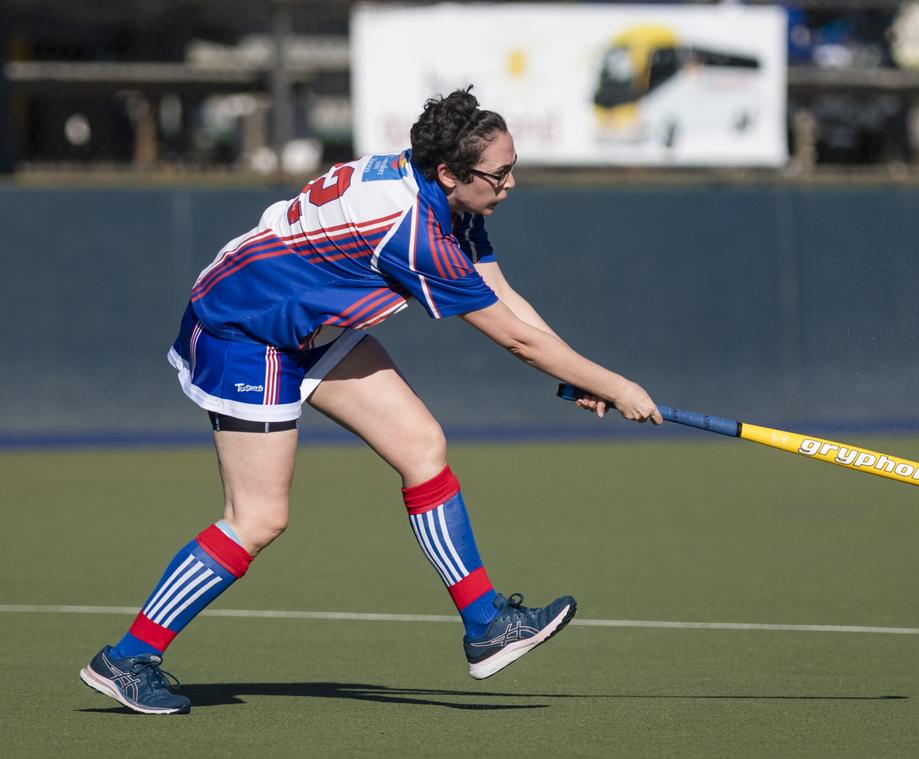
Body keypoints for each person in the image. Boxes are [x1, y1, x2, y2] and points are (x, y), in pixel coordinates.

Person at [79, 88, 662, 714]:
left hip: (310, 321)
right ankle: (128, 656)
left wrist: (581, 372)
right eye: (500, 174)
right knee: (258, 517)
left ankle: (486, 624)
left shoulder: (445, 196)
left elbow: (500, 290)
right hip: (244, 329)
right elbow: (517, 339)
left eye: (512, 167)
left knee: (421, 446)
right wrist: (616, 384)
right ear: (450, 172)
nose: (511, 183)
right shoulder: (412, 230)